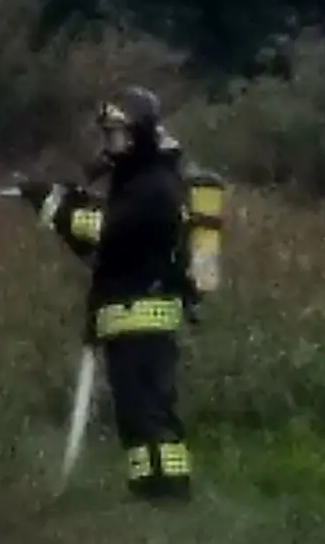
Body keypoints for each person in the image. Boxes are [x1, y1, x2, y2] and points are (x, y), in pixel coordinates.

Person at [26, 87, 197, 502]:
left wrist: (52, 206)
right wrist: (65, 202)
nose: (110, 144)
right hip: (127, 314)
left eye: (117, 134)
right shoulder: (138, 180)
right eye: (107, 134)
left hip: (143, 314)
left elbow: (102, 232)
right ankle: (148, 491)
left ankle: (169, 494)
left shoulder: (154, 185)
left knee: (148, 414)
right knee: (136, 417)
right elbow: (102, 238)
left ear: (138, 133)